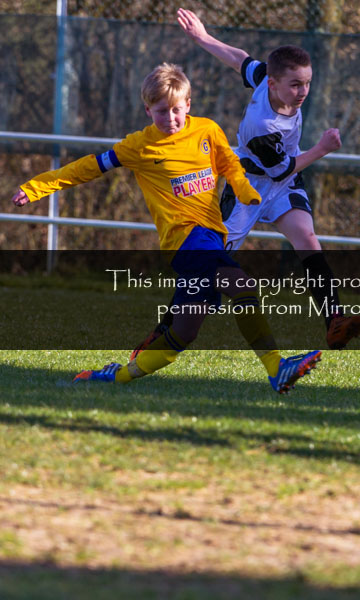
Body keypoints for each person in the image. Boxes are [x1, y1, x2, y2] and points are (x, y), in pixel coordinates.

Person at [11, 63, 320, 393]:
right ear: (148, 110)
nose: (170, 118)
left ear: (188, 104)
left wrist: (242, 188)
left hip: (211, 237)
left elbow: (229, 163)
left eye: (176, 110)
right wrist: (37, 187)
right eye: (161, 112)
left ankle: (115, 377)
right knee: (242, 286)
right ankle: (276, 368)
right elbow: (89, 167)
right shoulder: (139, 146)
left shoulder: (207, 131)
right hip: (185, 240)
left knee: (184, 332)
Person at [130, 8, 360, 359]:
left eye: (307, 82)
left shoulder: (265, 79)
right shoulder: (261, 124)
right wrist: (322, 149)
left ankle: (334, 319)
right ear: (273, 83)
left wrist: (203, 37)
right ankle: (163, 330)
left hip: (282, 182)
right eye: (296, 84)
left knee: (307, 238)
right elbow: (282, 169)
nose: (303, 91)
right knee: (209, 262)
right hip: (250, 186)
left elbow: (239, 59)